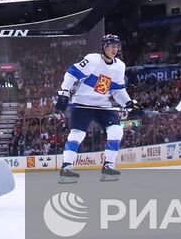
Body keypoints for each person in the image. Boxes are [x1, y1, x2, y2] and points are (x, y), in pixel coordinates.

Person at [55, 34, 141, 181]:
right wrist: (64, 94)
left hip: (103, 105)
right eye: (111, 46)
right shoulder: (92, 60)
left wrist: (128, 103)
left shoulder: (120, 66)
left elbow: (117, 90)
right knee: (77, 134)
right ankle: (66, 168)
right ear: (104, 47)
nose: (115, 49)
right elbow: (71, 73)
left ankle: (108, 167)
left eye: (116, 46)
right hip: (82, 103)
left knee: (116, 130)